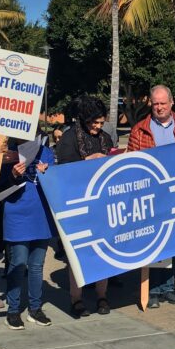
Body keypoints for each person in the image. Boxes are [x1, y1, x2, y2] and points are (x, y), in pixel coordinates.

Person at [128, 85, 175, 307]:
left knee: (173, 242)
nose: (159, 107)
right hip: (149, 195)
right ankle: (149, 291)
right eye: (155, 103)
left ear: (171, 103)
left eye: (163, 103)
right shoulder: (139, 130)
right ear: (151, 103)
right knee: (152, 242)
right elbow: (131, 162)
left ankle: (168, 287)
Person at [56, 96, 115, 317]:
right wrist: (87, 161)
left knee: (104, 251)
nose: (98, 128)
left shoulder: (105, 138)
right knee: (77, 255)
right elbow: (62, 171)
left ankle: (102, 296)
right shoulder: (70, 139)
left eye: (101, 123)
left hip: (102, 205)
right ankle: (77, 299)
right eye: (94, 123)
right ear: (84, 119)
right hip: (78, 206)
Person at [2, 137, 57, 328]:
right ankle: (13, 309)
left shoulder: (46, 151)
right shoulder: (7, 152)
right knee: (18, 262)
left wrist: (47, 175)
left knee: (37, 265)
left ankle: (35, 308)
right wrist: (13, 175)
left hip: (41, 215)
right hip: (17, 214)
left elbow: (56, 182)